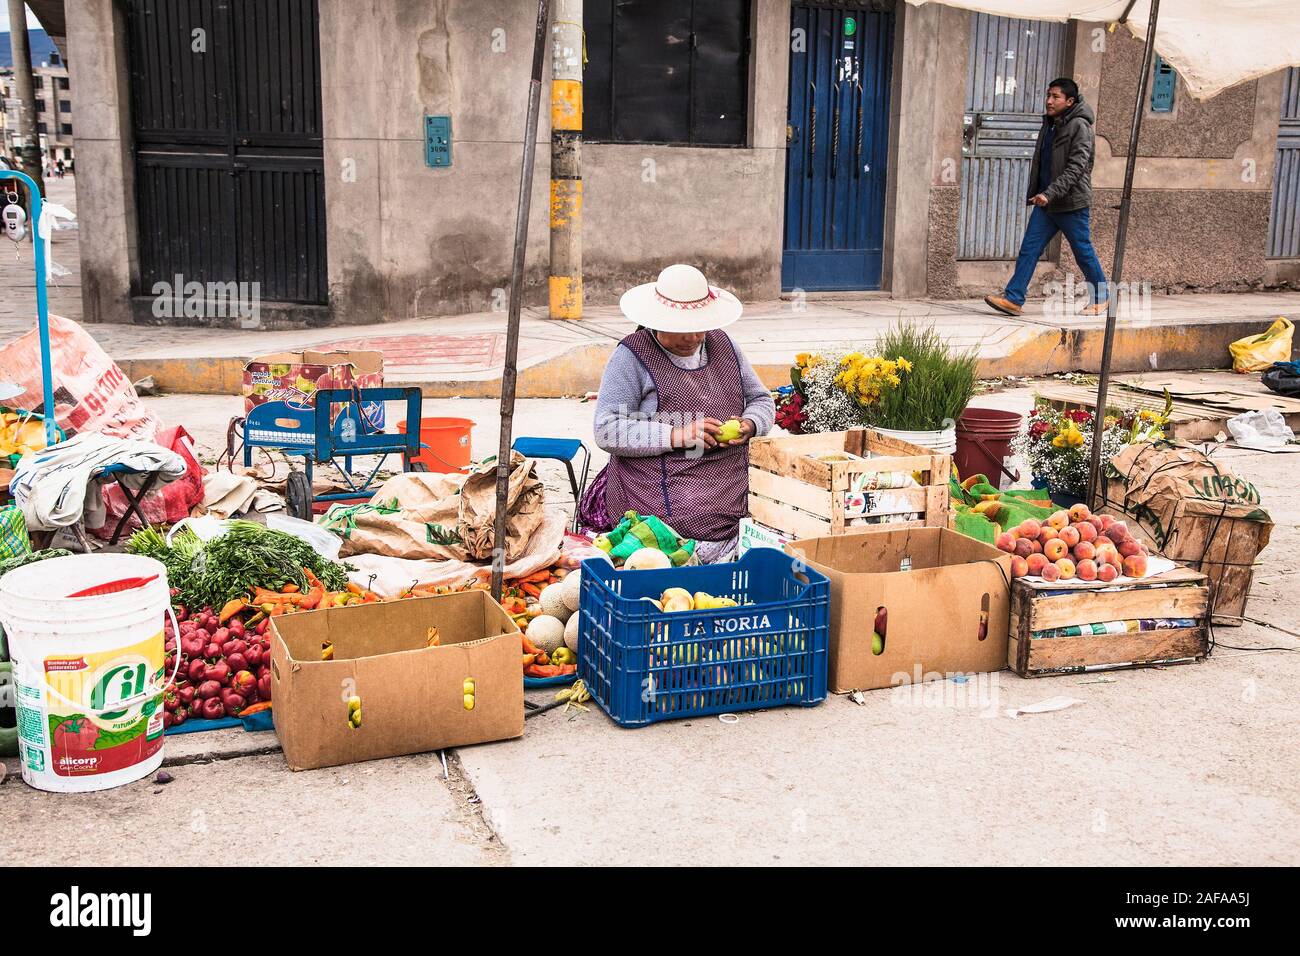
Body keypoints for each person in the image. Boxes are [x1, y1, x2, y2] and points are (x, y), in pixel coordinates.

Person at [578, 264, 776, 563]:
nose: (693, 337)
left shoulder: (725, 346)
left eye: (700, 327)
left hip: (731, 493)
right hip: (657, 502)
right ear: (655, 321)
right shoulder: (631, 356)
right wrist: (677, 435)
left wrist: (750, 424)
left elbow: (762, 400)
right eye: (682, 329)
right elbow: (607, 428)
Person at [984, 77, 1108, 317]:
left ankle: (1102, 298)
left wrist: (1049, 193)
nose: (1049, 101)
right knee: (1029, 249)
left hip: (1070, 202)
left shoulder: (1079, 126)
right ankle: (1014, 298)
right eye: (1048, 96)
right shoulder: (1051, 123)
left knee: (1082, 251)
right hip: (1047, 203)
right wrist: (1040, 193)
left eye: (1055, 97)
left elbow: (1077, 167)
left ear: (1070, 101)